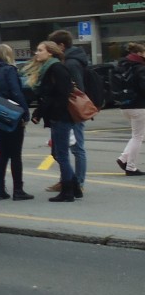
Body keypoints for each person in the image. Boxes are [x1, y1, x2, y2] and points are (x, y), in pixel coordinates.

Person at [30, 40, 79, 203]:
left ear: (50, 52)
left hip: (61, 117)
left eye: (40, 50)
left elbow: (59, 95)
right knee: (57, 153)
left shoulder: (56, 68)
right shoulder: (49, 68)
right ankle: (75, 187)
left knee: (61, 154)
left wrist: (46, 112)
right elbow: (49, 96)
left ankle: (68, 191)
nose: (37, 53)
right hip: (56, 116)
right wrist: (40, 112)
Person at [47, 29, 89, 195]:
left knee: (77, 147)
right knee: (60, 149)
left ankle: (77, 182)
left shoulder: (71, 63)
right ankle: (68, 179)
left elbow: (76, 89)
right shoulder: (66, 61)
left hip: (73, 111)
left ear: (61, 46)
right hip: (66, 111)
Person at [0, 44, 32, 200]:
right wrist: (25, 112)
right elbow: (16, 92)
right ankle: (18, 190)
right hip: (11, 115)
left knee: (3, 154)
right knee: (16, 154)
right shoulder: (10, 70)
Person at [115, 42, 145, 177]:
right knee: (138, 137)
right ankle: (131, 167)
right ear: (139, 53)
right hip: (139, 105)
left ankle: (123, 159)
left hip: (124, 105)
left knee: (136, 135)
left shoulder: (121, 66)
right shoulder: (140, 67)